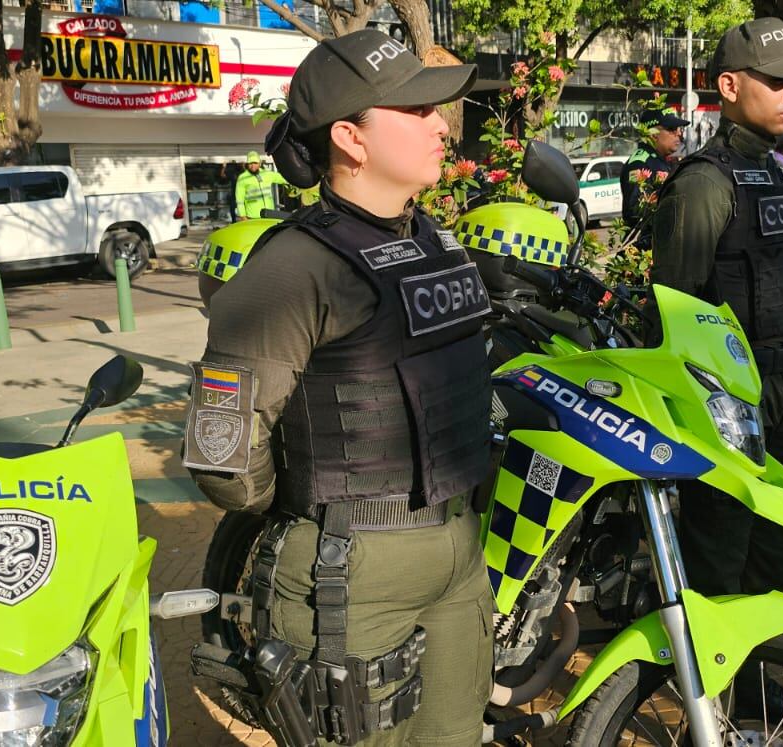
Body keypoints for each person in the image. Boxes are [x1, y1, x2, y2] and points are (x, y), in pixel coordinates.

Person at [183, 29, 491, 746]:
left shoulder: (434, 242)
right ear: (350, 138)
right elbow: (223, 452)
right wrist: (301, 510)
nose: (441, 124)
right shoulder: (294, 268)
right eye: (415, 112)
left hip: (456, 552)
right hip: (348, 574)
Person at [648, 15, 783, 725]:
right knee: (721, 548)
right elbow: (679, 307)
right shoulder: (703, 183)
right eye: (779, 81)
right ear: (730, 85)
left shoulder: (777, 170)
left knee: (779, 540)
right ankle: (713, 703)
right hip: (731, 396)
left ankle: (752, 676)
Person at [621, 108, 689, 245]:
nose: (678, 134)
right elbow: (636, 211)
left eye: (679, 129)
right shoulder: (640, 163)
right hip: (644, 249)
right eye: (671, 129)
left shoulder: (662, 161)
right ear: (653, 134)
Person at [234, 150, 290, 220]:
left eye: (255, 163)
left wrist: (297, 180)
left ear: (259, 163)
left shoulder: (266, 174)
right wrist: (242, 216)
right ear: (247, 164)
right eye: (250, 163)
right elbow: (239, 199)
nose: (253, 165)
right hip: (253, 216)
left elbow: (284, 179)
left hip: (269, 214)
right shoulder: (242, 178)